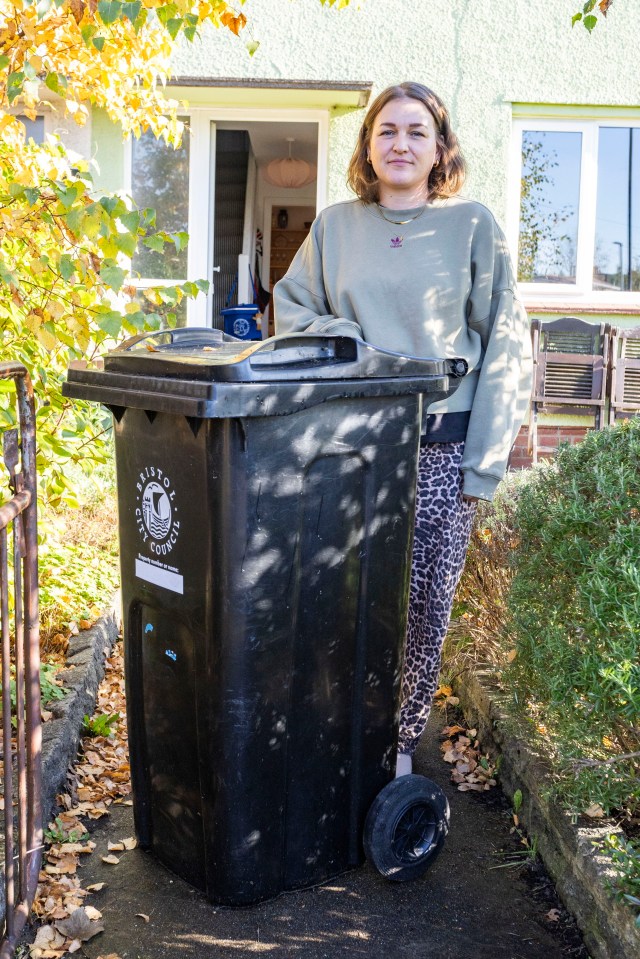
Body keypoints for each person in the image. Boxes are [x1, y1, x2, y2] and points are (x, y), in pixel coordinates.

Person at [273, 81, 532, 777]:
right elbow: (292, 308)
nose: (400, 143)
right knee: (336, 599)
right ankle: (336, 732)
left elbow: (507, 345)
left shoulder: (472, 227)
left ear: (441, 148)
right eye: (386, 130)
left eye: (417, 131)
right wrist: (352, 341)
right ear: (367, 144)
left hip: (440, 448)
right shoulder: (335, 227)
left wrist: (482, 466)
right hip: (346, 446)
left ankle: (396, 747)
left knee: (419, 608)